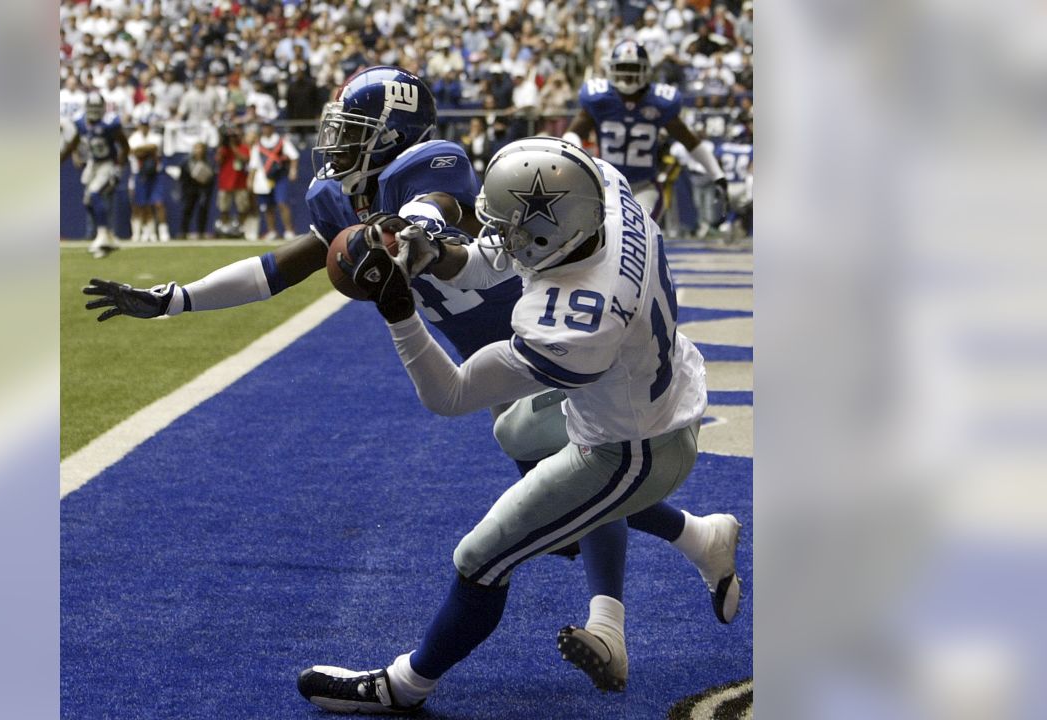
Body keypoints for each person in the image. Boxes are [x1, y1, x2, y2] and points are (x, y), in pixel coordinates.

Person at [81, 69, 740, 683]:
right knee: (569, 493)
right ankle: (699, 538)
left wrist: (413, 230)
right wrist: (178, 299)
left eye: (353, 134)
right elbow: (276, 269)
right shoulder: (338, 199)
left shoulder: (428, 165)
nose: (335, 145)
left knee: (579, 477)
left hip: (555, 350)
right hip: (506, 368)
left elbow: (440, 207)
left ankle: (611, 624)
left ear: (392, 139)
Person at [296, 137, 724, 713]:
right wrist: (432, 251)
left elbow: (449, 395)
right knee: (515, 432)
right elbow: (501, 251)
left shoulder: (574, 322)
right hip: (662, 381)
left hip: (633, 450)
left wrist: (400, 311)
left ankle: (405, 686)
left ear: (551, 236)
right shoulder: (604, 186)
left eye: (510, 228)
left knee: (481, 557)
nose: (496, 234)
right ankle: (700, 537)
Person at [564, 41, 727, 223]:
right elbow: (573, 134)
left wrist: (717, 174)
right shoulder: (599, 98)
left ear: (646, 70)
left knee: (638, 233)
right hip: (606, 185)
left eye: (632, 68)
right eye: (622, 67)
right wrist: (572, 157)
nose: (627, 74)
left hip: (644, 186)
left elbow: (689, 141)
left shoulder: (659, 101)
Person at [60, 92, 130, 258]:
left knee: (95, 194)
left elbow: (125, 146)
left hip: (107, 164)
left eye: (97, 108)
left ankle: (102, 235)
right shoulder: (81, 122)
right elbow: (73, 143)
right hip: (93, 163)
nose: (94, 111)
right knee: (88, 201)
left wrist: (119, 166)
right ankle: (109, 236)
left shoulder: (110, 123)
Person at [247, 120, 300, 241]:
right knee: (267, 206)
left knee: (282, 203)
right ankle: (272, 231)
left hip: (280, 176)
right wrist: (251, 180)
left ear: (272, 128)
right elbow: (254, 164)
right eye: (263, 127)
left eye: (267, 127)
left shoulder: (282, 141)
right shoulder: (258, 145)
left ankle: (289, 230)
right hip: (265, 179)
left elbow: (294, 156)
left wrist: (293, 171)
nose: (265, 129)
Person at [127, 117, 170, 242]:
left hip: (155, 173)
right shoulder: (134, 138)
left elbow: (154, 147)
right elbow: (134, 152)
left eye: (146, 125)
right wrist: (146, 150)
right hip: (140, 174)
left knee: (158, 202)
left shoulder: (156, 136)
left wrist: (142, 149)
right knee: (142, 204)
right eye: (142, 125)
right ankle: (147, 232)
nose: (144, 127)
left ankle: (163, 231)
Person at [213, 126, 251, 238]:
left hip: (240, 182)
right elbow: (218, 161)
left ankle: (241, 227)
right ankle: (224, 228)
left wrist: (233, 146)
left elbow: (244, 159)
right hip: (225, 182)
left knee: (242, 207)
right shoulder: (223, 148)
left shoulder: (243, 147)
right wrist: (222, 144)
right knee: (223, 207)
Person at [178, 141, 216, 240]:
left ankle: (201, 232)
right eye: (196, 148)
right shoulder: (187, 161)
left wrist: (205, 180)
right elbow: (182, 177)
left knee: (203, 210)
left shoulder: (208, 161)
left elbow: (212, 177)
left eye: (200, 148)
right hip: (190, 189)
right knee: (187, 210)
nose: (198, 151)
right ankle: (183, 232)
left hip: (203, 189)